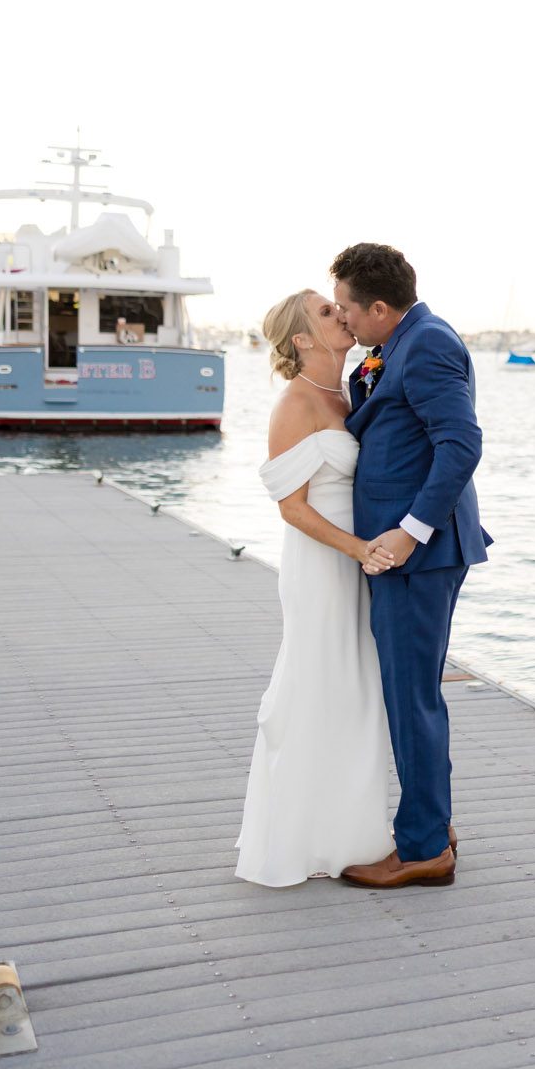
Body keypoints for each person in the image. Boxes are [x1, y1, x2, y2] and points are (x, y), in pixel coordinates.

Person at [332, 242, 490, 889]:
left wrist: (409, 531)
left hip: (416, 556)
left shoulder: (426, 344)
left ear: (378, 307)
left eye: (346, 308)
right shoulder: (398, 343)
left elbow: (462, 443)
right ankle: (434, 824)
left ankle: (423, 847)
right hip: (404, 553)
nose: (342, 319)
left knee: (411, 698)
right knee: (413, 694)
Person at [233, 289, 397, 886]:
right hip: (324, 565)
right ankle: (304, 837)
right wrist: (358, 550)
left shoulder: (347, 392)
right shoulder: (295, 403)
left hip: (357, 561)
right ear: (302, 339)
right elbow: (292, 508)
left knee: (355, 691)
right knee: (321, 686)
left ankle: (350, 830)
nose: (341, 314)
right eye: (327, 312)